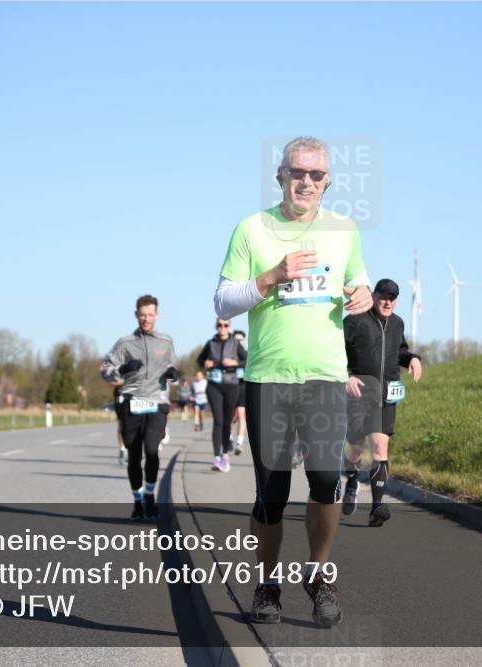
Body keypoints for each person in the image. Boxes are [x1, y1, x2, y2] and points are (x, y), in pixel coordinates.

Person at [214, 136, 373, 627]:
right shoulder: (251, 228)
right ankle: (267, 584)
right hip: (269, 380)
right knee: (271, 495)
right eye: (296, 172)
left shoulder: (344, 230)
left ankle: (320, 575)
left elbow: (359, 280)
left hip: (324, 377)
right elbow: (222, 301)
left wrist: (364, 293)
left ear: (328, 181)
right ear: (279, 175)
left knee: (326, 480)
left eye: (316, 175)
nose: (306, 182)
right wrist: (271, 277)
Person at [341, 278, 422, 527]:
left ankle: (377, 506)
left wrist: (412, 358)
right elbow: (334, 351)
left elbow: (399, 350)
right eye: (383, 297)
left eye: (392, 298)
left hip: (386, 394)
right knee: (355, 449)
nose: (388, 302)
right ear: (374, 296)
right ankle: (352, 482)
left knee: (379, 447)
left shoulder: (397, 323)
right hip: (359, 393)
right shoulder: (354, 320)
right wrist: (346, 377)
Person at [101, 295, 179, 521]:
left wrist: (172, 373)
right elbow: (106, 369)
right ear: (136, 315)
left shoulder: (166, 341)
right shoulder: (125, 343)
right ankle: (137, 501)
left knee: (152, 450)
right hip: (131, 402)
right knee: (134, 455)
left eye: (150, 315)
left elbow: (171, 364)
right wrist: (123, 368)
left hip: (157, 401)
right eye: (142, 315)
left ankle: (149, 495)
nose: (146, 319)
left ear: (157, 315)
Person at [197, 318, 247, 472]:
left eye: (225, 325)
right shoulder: (211, 343)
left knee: (226, 422)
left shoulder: (235, 343)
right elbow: (200, 359)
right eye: (219, 325)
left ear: (229, 327)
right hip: (214, 385)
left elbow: (247, 360)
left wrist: (234, 363)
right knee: (217, 421)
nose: (222, 328)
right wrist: (205, 363)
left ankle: (225, 454)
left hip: (232, 385)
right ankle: (216, 457)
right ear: (216, 327)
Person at [230, 329, 248, 455]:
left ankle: (239, 443)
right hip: (229, 386)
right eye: (236, 340)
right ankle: (229, 438)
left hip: (242, 386)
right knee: (230, 417)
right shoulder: (227, 353)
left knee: (241, 415)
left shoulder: (247, 354)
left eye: (240, 340)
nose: (238, 342)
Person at [110, 383, 128, 465]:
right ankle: (122, 450)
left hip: (137, 395)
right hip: (120, 396)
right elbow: (111, 381)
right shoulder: (118, 369)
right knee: (122, 424)